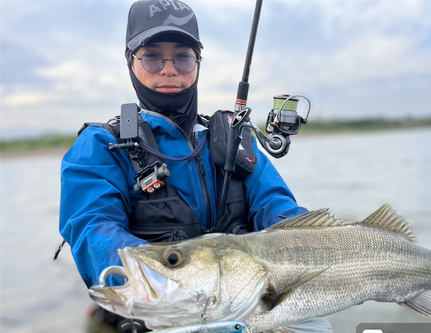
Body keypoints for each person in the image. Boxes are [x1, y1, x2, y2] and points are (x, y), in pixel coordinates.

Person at [59, 0, 307, 289]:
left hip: (244, 305)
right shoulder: (101, 145)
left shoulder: (235, 137)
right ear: (131, 63)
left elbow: (275, 204)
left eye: (183, 57)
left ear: (197, 64)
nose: (168, 70)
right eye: (152, 57)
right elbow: (93, 230)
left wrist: (307, 240)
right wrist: (174, 280)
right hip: (153, 314)